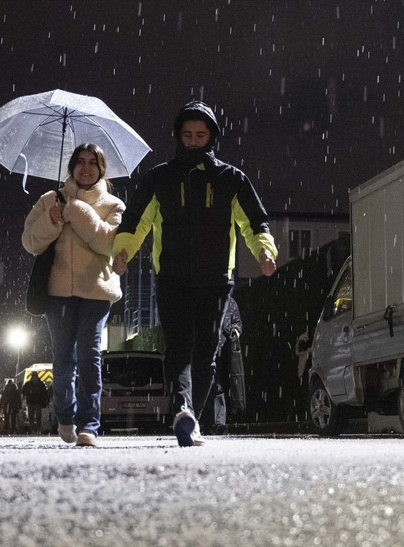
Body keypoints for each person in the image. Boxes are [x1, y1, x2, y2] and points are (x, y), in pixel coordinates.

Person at [112, 100, 277, 447]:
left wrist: (264, 250)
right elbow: (136, 222)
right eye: (187, 134)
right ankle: (182, 408)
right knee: (179, 348)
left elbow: (254, 222)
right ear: (177, 136)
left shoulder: (231, 179)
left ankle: (192, 419)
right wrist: (122, 251)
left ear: (211, 137)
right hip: (171, 277)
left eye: (200, 135)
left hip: (216, 279)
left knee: (206, 352)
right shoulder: (160, 178)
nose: (193, 140)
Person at [21, 143, 125, 447]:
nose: (86, 167)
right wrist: (51, 220)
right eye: (80, 161)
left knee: (89, 356)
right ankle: (65, 416)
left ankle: (89, 425)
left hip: (95, 291)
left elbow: (109, 244)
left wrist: (75, 211)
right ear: (71, 165)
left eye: (93, 162)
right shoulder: (49, 200)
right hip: (58, 293)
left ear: (101, 169)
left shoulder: (113, 206)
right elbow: (29, 242)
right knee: (63, 360)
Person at [201, 294, 244, 435]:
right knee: (208, 384)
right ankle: (207, 422)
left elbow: (237, 323)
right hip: (207, 350)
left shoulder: (230, 302)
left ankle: (218, 422)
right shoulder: (206, 301)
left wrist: (235, 331)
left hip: (223, 351)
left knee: (217, 385)